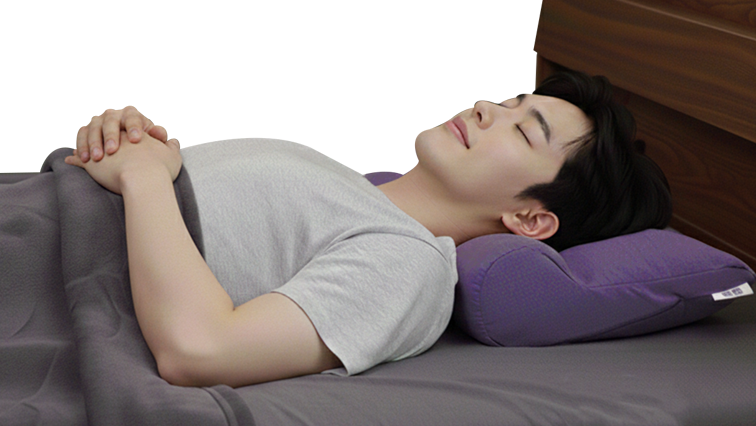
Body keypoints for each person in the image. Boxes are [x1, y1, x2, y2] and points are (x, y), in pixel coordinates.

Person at [64, 70, 672, 388]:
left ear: (531, 219)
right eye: (510, 101)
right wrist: (126, 137)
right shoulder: (355, 190)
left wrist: (143, 178)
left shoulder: (409, 263)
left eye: (522, 129)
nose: (487, 108)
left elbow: (201, 351)